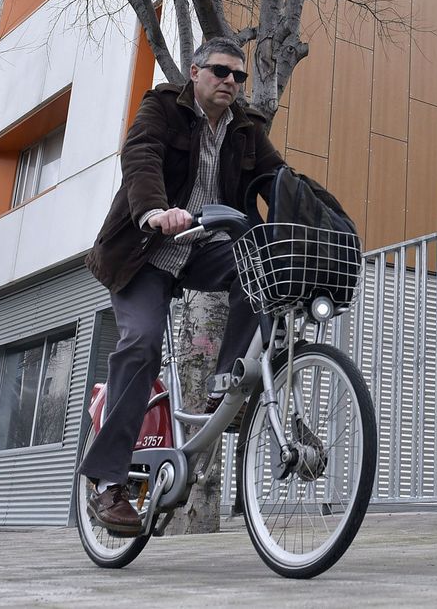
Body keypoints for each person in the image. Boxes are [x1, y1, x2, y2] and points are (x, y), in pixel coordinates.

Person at [79, 37, 285, 534]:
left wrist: (319, 216)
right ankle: (109, 483)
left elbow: (280, 179)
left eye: (238, 76)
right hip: (144, 252)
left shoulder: (246, 131)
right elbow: (142, 156)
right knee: (142, 343)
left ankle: (227, 386)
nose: (230, 82)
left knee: (261, 267)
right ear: (195, 72)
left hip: (202, 249)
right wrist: (153, 210)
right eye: (220, 71)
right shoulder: (162, 108)